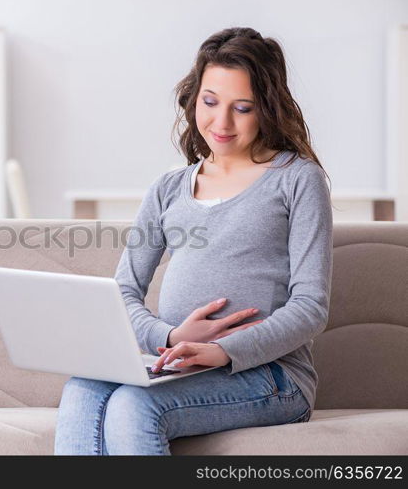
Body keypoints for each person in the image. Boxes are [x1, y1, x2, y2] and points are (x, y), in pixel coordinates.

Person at [54, 27, 334, 456]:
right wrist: (167, 338)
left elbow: (310, 307)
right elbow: (123, 291)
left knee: (133, 405)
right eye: (210, 102)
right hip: (177, 365)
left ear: (268, 108)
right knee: (82, 388)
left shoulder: (297, 179)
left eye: (242, 108)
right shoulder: (168, 188)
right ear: (193, 98)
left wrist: (222, 350)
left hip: (272, 377)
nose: (221, 123)